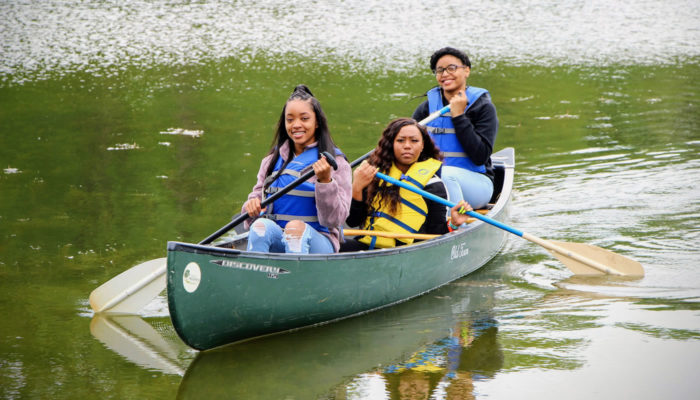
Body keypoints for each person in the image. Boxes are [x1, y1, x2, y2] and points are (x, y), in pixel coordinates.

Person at [242, 85, 352, 254]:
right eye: (290, 119)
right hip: (279, 236)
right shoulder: (271, 161)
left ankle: (295, 279)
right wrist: (251, 207)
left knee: (295, 230)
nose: (296, 125)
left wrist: (325, 182)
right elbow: (255, 201)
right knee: (260, 226)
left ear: (317, 123)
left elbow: (335, 219)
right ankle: (256, 276)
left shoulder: (336, 162)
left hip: (319, 242)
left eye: (304, 118)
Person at [341, 118, 472, 252]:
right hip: (369, 246)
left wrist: (454, 223)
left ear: (422, 146)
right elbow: (352, 222)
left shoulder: (433, 185)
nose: (407, 146)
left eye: (414, 141)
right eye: (400, 140)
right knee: (332, 246)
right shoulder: (373, 176)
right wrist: (357, 186)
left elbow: (436, 234)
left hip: (411, 252)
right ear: (391, 144)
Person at [412, 47, 498, 209]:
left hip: (477, 185)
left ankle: (455, 224)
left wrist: (458, 116)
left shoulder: (483, 108)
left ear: (466, 71)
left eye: (451, 68)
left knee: (446, 174)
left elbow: (480, 156)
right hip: (433, 182)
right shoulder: (427, 109)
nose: (445, 74)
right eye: (439, 70)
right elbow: (404, 142)